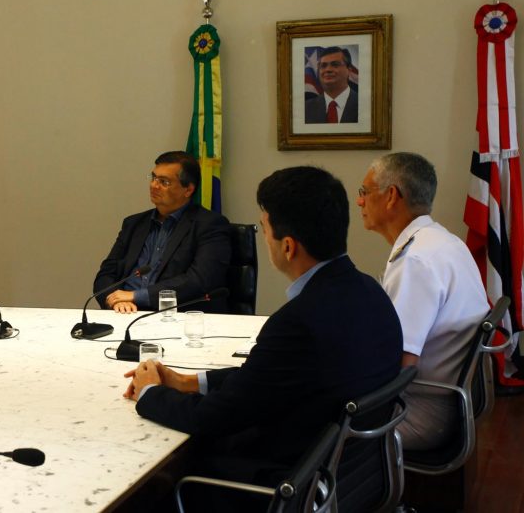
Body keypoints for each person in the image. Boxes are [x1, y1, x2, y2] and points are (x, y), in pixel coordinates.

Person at [123, 166, 402, 504]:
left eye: (264, 228)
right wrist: (189, 381)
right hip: (343, 479)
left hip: (280, 487)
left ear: (287, 246)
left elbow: (214, 418)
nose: (263, 237)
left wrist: (149, 391)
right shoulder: (369, 292)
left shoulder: (297, 322)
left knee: (147, 487)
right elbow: (266, 379)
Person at [357, 152, 489, 451]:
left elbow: (400, 364)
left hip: (419, 411)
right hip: (446, 401)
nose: (359, 202)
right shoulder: (443, 241)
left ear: (391, 196)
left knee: (310, 421)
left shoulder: (416, 261)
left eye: (364, 192)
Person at [93, 151, 230, 314]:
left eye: (164, 182)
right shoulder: (134, 223)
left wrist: (136, 296)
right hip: (125, 313)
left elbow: (199, 280)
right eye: (153, 178)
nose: (154, 185)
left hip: (173, 317)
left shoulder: (210, 225)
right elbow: (106, 274)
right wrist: (114, 300)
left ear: (188, 190)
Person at [305, 46, 359, 124]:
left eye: (335, 65)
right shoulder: (306, 109)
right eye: (323, 66)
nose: (328, 70)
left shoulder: (365, 105)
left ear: (349, 70)